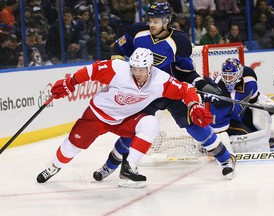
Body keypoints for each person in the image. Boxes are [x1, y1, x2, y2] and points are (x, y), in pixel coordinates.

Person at [93, 2, 236, 183]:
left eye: (157, 21)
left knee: (194, 126)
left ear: (167, 21)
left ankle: (225, 159)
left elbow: (185, 71)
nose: (152, 24)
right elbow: (119, 49)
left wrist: (200, 83)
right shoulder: (137, 32)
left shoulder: (179, 41)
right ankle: (109, 165)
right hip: (145, 92)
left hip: (170, 89)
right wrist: (119, 68)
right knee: (131, 130)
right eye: (150, 20)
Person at [36, 47, 213, 188]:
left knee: (150, 123)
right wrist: (70, 83)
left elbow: (186, 90)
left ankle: (130, 168)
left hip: (126, 120)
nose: (137, 73)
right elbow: (90, 71)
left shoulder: (160, 80)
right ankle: (53, 166)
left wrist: (193, 105)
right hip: (97, 116)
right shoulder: (117, 69)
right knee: (72, 147)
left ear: (150, 68)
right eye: (134, 68)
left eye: (142, 69)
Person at [204, 58, 274, 153]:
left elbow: (254, 100)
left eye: (230, 76)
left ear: (239, 74)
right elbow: (217, 124)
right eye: (225, 76)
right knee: (249, 138)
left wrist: (267, 103)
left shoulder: (250, 83)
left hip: (240, 115)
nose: (227, 80)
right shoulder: (218, 91)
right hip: (228, 122)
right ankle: (207, 145)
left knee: (261, 131)